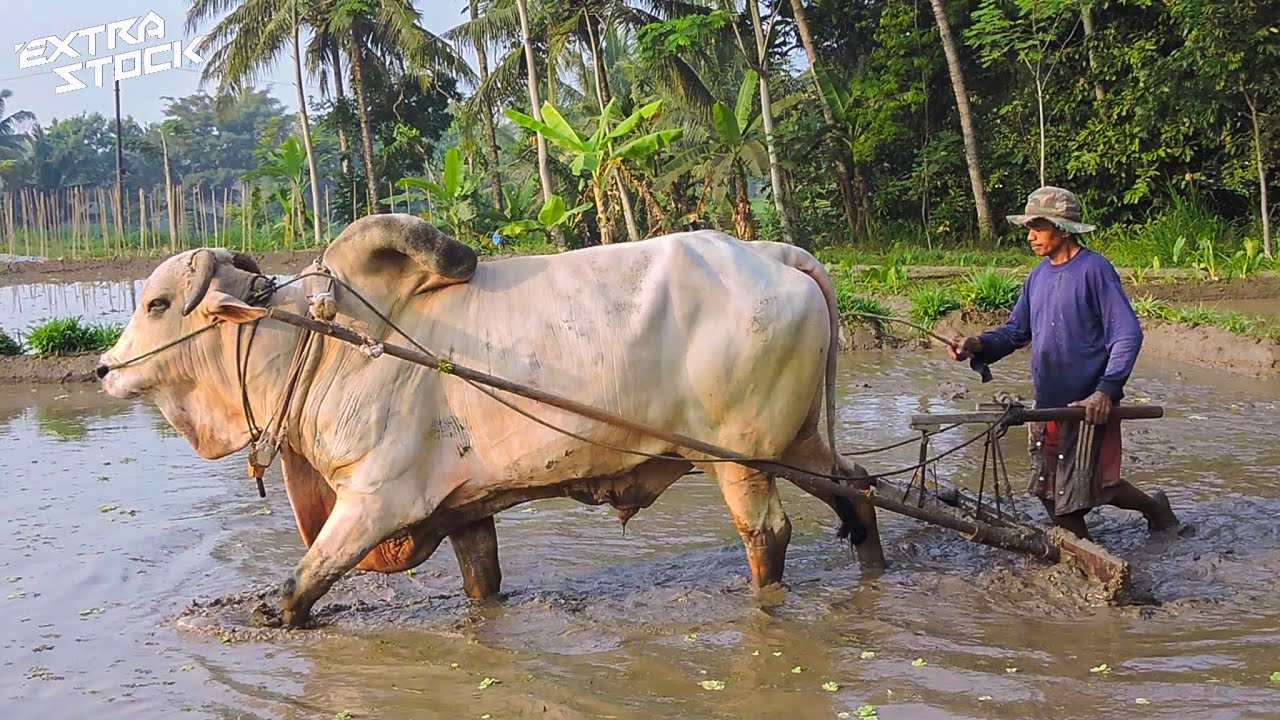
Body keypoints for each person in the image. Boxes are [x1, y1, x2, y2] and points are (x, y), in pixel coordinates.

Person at [947, 186, 1182, 540]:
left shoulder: (1094, 270)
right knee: (1048, 486)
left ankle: (1149, 512)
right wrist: (977, 344)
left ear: (1061, 228)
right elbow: (1016, 331)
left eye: (1037, 228)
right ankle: (1083, 544)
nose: (1030, 236)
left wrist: (1106, 391)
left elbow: (1127, 334)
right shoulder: (1038, 277)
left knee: (1095, 486)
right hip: (1049, 402)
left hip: (1086, 403)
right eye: (1029, 228)